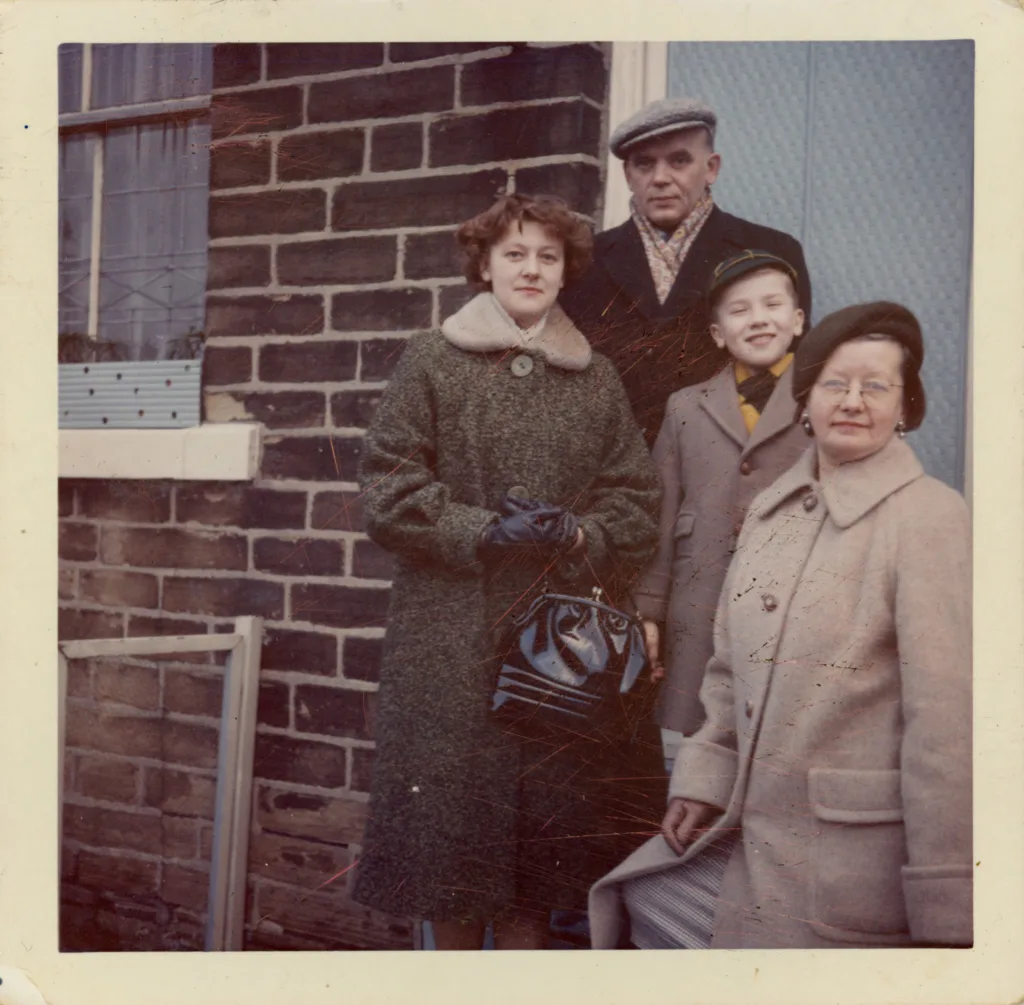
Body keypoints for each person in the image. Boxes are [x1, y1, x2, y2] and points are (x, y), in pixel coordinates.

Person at [589, 301, 972, 950]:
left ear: (907, 407)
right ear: (804, 401)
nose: (852, 400)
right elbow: (726, 667)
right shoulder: (772, 513)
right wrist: (705, 781)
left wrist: (950, 910)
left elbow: (948, 728)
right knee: (641, 904)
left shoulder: (930, 518)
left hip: (849, 860)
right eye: (833, 383)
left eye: (876, 385)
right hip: (748, 833)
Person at [350, 192, 664, 950]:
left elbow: (636, 501)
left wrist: (580, 531)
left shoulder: (596, 380)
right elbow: (387, 489)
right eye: (514, 253)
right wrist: (483, 530)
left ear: (567, 272)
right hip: (449, 638)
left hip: (556, 654)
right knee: (453, 854)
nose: (531, 268)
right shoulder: (431, 360)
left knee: (536, 861)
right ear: (483, 264)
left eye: (548, 256)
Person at [560, 97, 812, 444]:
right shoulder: (586, 259)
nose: (661, 178)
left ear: (711, 168)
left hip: (726, 459)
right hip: (616, 468)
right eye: (645, 164)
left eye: (679, 160)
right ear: (627, 175)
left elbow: (793, 374)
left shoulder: (770, 250)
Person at [636, 249, 811, 738]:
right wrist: (648, 614)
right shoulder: (685, 407)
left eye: (772, 305)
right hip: (699, 617)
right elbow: (662, 520)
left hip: (793, 615)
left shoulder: (826, 400)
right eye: (739, 310)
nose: (758, 320)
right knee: (694, 752)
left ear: (797, 320)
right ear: (717, 334)